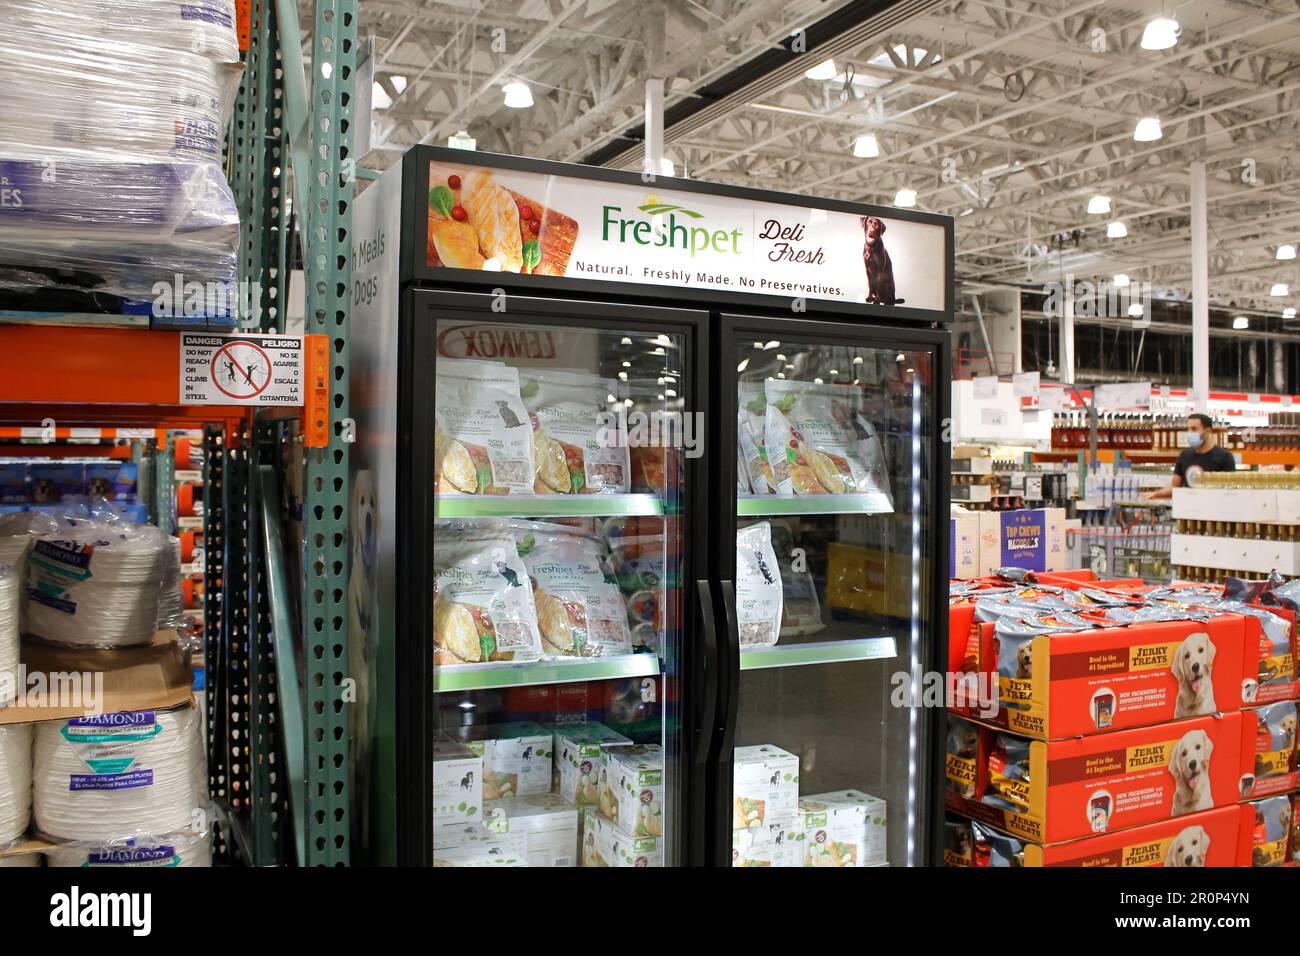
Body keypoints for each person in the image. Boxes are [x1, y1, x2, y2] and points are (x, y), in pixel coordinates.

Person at [1146, 413, 1235, 499]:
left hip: (1213, 509)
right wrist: (1155, 494)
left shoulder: (1224, 456)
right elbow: (1174, 486)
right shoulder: (1184, 455)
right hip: (1189, 510)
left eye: (1194, 429)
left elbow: (1229, 491)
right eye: (1188, 429)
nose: (1189, 433)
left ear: (1208, 431)